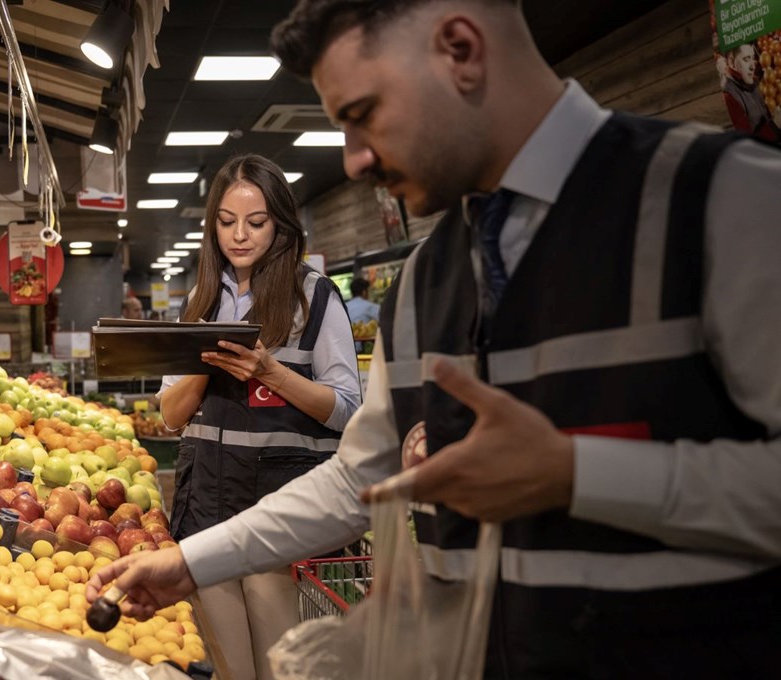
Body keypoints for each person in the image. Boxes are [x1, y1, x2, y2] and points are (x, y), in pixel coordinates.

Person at [89, 1, 781, 677]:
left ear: (460, 50)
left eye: (362, 116)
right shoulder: (427, 280)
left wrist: (579, 473)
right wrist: (190, 560)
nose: (355, 160)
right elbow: (360, 475)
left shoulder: (721, 200)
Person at [155, 153, 360, 680]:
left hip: (281, 511)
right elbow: (170, 418)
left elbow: (347, 410)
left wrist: (271, 373)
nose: (239, 236)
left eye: (256, 222)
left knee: (280, 664)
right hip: (207, 508)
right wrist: (204, 363)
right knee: (227, 665)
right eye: (226, 222)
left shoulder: (313, 298)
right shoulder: (199, 303)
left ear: (282, 224)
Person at [722, 42, 781, 141]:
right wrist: (774, 125)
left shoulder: (753, 82)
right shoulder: (729, 96)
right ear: (732, 62)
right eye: (746, 59)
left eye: (752, 58)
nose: (752, 66)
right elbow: (748, 144)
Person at [344, 277, 380, 352]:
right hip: (364, 350)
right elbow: (384, 319)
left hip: (346, 350)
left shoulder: (344, 307)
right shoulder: (370, 306)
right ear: (364, 292)